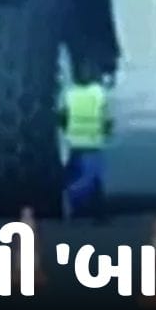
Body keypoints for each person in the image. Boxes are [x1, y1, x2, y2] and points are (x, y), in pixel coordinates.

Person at [61, 59, 114, 221]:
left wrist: (68, 132)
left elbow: (62, 117)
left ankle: (91, 212)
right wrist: (107, 132)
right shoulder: (98, 93)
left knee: (83, 176)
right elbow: (106, 117)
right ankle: (76, 201)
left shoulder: (70, 93)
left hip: (74, 142)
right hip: (93, 143)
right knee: (92, 179)